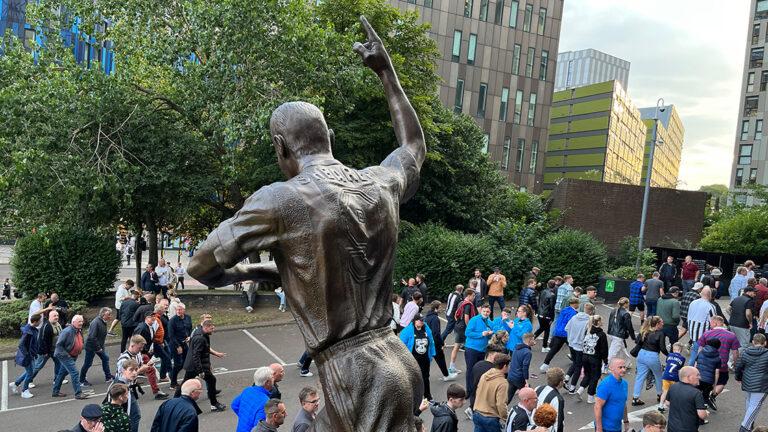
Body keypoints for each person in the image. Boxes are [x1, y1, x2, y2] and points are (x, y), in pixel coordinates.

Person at [188, 18, 427, 430]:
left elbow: (200, 267)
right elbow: (413, 146)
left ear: (281, 148)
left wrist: (260, 269)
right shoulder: (378, 181)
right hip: (395, 359)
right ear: (329, 136)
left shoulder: (281, 198)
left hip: (355, 375)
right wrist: (386, 72)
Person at [177, 319, 225, 411]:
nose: (213, 330)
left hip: (194, 365)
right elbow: (196, 355)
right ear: (205, 328)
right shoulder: (200, 338)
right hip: (196, 366)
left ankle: (175, 401)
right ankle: (214, 404)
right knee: (211, 380)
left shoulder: (201, 333)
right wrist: (200, 371)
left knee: (185, 383)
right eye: (211, 329)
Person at [692, 315, 740, 408]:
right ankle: (713, 395)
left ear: (715, 323)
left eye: (711, 323)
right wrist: (735, 362)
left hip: (705, 365)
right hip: (722, 365)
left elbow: (700, 348)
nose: (710, 325)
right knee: (722, 381)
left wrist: (698, 361)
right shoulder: (731, 335)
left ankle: (700, 400)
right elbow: (736, 352)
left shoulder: (706, 334)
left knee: (702, 383)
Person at [14, 309, 62, 390]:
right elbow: (41, 340)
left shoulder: (57, 324)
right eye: (54, 316)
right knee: (36, 367)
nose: (56, 317)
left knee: (58, 363)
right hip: (45, 351)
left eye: (57, 315)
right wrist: (41, 352)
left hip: (54, 350)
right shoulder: (45, 327)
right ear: (49, 317)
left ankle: (56, 379)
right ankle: (25, 382)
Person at [116, 334, 167, 403]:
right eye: (139, 348)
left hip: (130, 388)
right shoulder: (123, 360)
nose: (141, 349)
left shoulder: (138, 354)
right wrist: (140, 370)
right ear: (132, 346)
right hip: (122, 390)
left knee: (135, 412)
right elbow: (123, 377)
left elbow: (139, 366)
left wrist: (147, 365)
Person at [735, 333, 768, 432]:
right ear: (765, 343)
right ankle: (745, 427)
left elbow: (738, 367)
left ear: (753, 342)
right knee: (755, 405)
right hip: (761, 384)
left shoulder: (745, 352)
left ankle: (749, 421)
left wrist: (739, 378)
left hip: (747, 381)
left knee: (749, 402)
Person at [52, 314, 89, 399]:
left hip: (73, 355)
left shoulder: (79, 330)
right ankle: (78, 394)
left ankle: (55, 391)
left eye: (82, 321)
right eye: (79, 321)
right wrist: (66, 354)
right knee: (75, 372)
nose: (81, 323)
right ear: (73, 322)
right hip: (65, 356)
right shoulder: (67, 331)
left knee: (62, 373)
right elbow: (59, 345)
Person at [631, 316, 666, 406]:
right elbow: (662, 348)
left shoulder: (645, 331)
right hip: (652, 356)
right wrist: (670, 355)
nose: (663, 324)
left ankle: (635, 398)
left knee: (640, 376)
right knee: (658, 375)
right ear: (657, 324)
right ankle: (660, 394)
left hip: (642, 354)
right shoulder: (660, 334)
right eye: (661, 322)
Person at [401, 313, 437, 400]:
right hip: (412, 360)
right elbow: (401, 346)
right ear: (415, 321)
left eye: (423, 320)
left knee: (425, 377)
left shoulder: (426, 329)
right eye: (420, 320)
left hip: (425, 359)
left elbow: (431, 341)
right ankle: (412, 397)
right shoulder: (407, 331)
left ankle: (427, 396)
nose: (422, 322)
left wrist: (432, 353)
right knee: (412, 378)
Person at [466, 344, 506, 419]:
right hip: (487, 408)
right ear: (490, 355)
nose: (499, 358)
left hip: (475, 401)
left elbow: (471, 382)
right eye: (498, 356)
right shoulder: (493, 371)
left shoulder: (477, 365)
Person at [472, 354, 511, 431]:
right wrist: (506, 418)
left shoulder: (485, 375)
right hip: (490, 417)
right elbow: (501, 404)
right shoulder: (502, 383)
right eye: (508, 365)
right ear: (504, 366)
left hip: (477, 413)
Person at [540, 297, 579, 372]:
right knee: (574, 349)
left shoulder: (564, 310)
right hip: (566, 334)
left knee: (553, 350)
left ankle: (545, 364)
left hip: (558, 332)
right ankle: (577, 365)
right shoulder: (573, 313)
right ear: (576, 304)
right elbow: (571, 324)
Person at [576, 315, 608, 403]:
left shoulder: (588, 331)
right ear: (598, 322)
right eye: (601, 320)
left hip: (585, 356)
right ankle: (590, 396)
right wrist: (605, 360)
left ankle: (580, 390)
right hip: (595, 358)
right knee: (595, 377)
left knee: (588, 374)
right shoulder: (601, 334)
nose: (603, 321)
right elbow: (604, 349)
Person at [79, 307, 114, 387]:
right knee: (88, 363)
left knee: (105, 358)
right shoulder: (96, 323)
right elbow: (92, 337)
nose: (110, 316)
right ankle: (81, 380)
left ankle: (108, 377)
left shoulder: (103, 321)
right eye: (108, 315)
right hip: (91, 346)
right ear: (103, 315)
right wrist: (98, 348)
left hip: (99, 345)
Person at [666, 366, 707, 431]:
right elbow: (702, 415)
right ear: (688, 377)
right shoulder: (696, 393)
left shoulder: (673, 387)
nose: (700, 377)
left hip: (672, 428)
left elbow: (667, 403)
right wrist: (706, 413)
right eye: (697, 375)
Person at [424, 301, 457, 382]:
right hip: (434, 343)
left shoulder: (427, 317)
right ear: (436, 309)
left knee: (426, 360)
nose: (441, 309)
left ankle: (423, 376)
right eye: (440, 307)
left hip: (427, 341)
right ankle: (446, 375)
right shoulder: (435, 318)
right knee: (440, 359)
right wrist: (441, 343)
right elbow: (436, 333)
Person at [11, 313, 42, 398]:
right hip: (28, 356)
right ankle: (24, 391)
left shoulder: (33, 329)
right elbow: (21, 345)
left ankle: (16, 384)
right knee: (30, 373)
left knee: (29, 372)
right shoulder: (28, 331)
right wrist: (27, 354)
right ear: (35, 322)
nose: (41, 322)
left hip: (31, 354)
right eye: (40, 321)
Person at [594, 358, 629, 432]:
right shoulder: (605, 384)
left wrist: (626, 421)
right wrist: (599, 428)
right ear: (611, 368)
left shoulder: (625, 384)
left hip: (617, 427)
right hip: (605, 428)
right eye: (620, 367)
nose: (624, 370)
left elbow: (623, 403)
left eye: (624, 367)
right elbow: (597, 406)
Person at [565, 302, 593, 391]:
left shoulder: (574, 317)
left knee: (575, 362)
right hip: (580, 346)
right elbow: (589, 334)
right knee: (578, 366)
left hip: (571, 343)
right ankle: (572, 387)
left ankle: (566, 377)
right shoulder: (589, 321)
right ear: (591, 311)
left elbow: (566, 328)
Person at [465, 303, 494, 391]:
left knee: (479, 370)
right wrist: (481, 334)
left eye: (487, 312)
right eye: (484, 311)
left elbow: (488, 337)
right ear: (481, 311)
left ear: (490, 312)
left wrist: (490, 335)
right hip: (472, 348)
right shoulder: (474, 320)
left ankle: (477, 388)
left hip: (482, 349)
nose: (485, 313)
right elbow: (467, 333)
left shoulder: (490, 322)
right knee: (470, 370)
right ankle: (469, 390)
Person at [450, 289, 476, 375]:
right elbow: (466, 318)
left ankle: (451, 367)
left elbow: (455, 315)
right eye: (473, 295)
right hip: (463, 328)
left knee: (456, 347)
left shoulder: (461, 302)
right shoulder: (468, 305)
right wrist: (470, 328)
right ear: (468, 296)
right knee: (470, 348)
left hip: (457, 326)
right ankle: (471, 368)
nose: (474, 297)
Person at [167, 302, 192, 389]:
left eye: (180, 310)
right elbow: (171, 335)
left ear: (184, 310)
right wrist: (178, 346)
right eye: (177, 310)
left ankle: (173, 374)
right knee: (178, 364)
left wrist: (189, 336)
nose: (178, 311)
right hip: (175, 344)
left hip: (184, 343)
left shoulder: (188, 317)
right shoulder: (172, 321)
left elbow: (190, 328)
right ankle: (173, 383)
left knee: (186, 362)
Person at [686, 287, 716, 357]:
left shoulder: (693, 303)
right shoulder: (710, 306)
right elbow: (713, 321)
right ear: (710, 295)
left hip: (692, 332)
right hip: (703, 335)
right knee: (697, 354)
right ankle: (692, 367)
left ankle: (692, 366)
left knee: (695, 352)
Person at [507, 332, 535, 402]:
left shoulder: (516, 347)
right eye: (533, 340)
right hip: (519, 378)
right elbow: (525, 367)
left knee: (508, 397)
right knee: (531, 396)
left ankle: (500, 411)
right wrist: (526, 381)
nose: (534, 341)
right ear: (529, 341)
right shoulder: (527, 352)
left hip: (511, 376)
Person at [535, 367, 565, 432]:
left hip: (534, 426)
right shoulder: (558, 399)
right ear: (560, 383)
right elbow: (558, 421)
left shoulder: (538, 388)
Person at [607, 297, 635, 368]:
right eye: (628, 303)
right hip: (619, 335)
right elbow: (629, 327)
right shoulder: (626, 314)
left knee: (622, 349)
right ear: (625, 304)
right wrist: (633, 337)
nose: (629, 304)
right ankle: (607, 366)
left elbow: (610, 322)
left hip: (611, 333)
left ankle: (627, 363)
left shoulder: (613, 310)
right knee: (613, 352)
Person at [694, 338, 720, 412]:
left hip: (698, 378)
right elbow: (717, 373)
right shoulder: (718, 358)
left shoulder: (701, 352)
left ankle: (694, 409)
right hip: (709, 380)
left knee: (695, 394)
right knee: (705, 396)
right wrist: (715, 386)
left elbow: (695, 364)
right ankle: (703, 411)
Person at [658, 342, 685, 413]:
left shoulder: (669, 355)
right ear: (681, 351)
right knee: (676, 391)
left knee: (665, 391)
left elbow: (667, 361)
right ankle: (676, 406)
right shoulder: (682, 358)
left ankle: (660, 406)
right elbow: (680, 367)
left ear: (673, 349)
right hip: (674, 377)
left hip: (666, 375)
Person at [535, 280, 556, 353]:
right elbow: (552, 307)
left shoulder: (542, 292)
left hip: (539, 313)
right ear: (554, 286)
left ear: (547, 285)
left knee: (541, 328)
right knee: (547, 330)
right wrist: (552, 318)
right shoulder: (552, 295)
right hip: (546, 315)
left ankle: (531, 339)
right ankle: (544, 346)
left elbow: (540, 302)